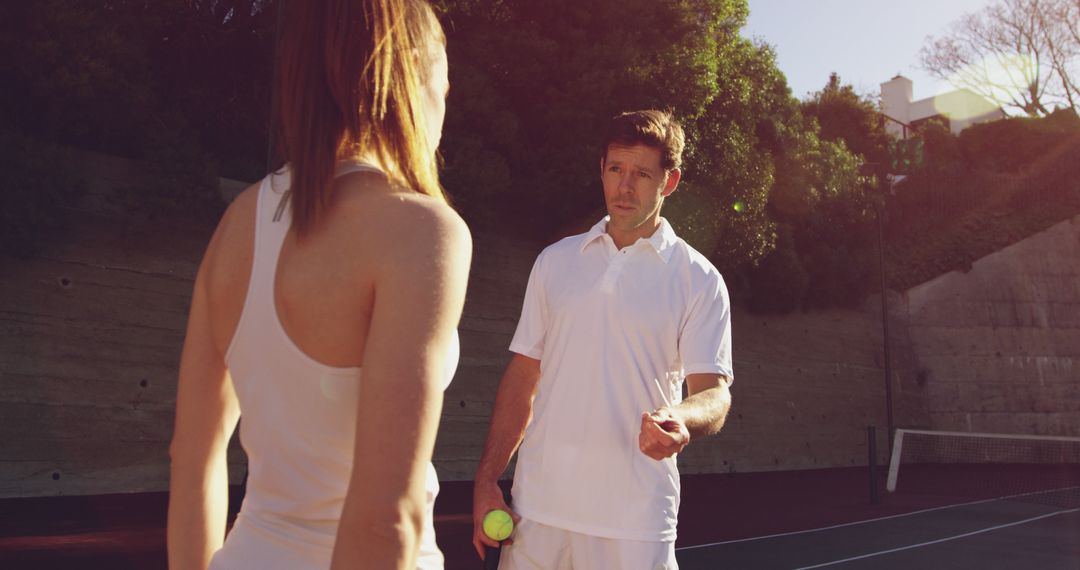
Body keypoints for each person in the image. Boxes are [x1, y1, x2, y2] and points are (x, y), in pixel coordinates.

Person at [167, 1, 470, 569]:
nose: (443, 109)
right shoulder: (422, 230)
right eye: (445, 87)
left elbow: (192, 459)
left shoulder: (238, 221)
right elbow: (387, 519)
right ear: (409, 75)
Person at [471, 110, 733, 569]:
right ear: (601, 170)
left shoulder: (699, 279)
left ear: (668, 183)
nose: (624, 187)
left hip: (634, 522)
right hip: (538, 512)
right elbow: (523, 375)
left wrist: (679, 418)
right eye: (616, 170)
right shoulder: (555, 262)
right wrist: (487, 479)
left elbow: (713, 393)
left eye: (641, 174)